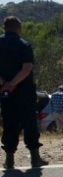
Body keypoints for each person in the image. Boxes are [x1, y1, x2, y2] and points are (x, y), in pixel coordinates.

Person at [0, 16, 48, 169]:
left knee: (9, 122)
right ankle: (35, 158)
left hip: (5, 92)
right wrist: (14, 83)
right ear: (18, 28)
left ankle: (9, 160)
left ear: (4, 27)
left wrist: (5, 84)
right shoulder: (24, 44)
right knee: (29, 123)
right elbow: (27, 68)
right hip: (25, 91)